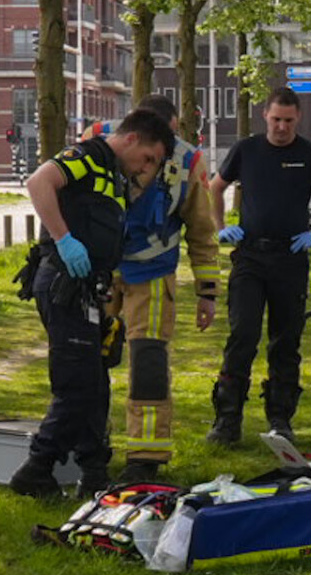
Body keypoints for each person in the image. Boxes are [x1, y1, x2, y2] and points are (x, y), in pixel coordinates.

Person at [7, 108, 175, 499]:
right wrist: (64, 239)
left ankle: (94, 472)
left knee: (96, 384)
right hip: (64, 283)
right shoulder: (89, 156)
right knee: (77, 385)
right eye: (149, 157)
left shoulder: (116, 176)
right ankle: (36, 468)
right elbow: (38, 183)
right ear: (131, 138)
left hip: (88, 289)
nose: (146, 167)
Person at [92, 96, 220, 484]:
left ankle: (145, 457)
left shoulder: (186, 162)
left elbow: (201, 229)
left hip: (152, 273)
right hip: (100, 270)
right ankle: (91, 446)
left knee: (147, 362)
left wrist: (207, 291)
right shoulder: (99, 142)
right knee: (90, 358)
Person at [205, 88, 311, 445]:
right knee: (243, 335)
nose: (281, 127)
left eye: (289, 121)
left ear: (298, 119)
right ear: (265, 115)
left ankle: (280, 418)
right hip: (250, 255)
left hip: (291, 258)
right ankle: (227, 419)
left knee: (285, 341)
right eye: (276, 119)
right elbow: (213, 188)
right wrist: (221, 228)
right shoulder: (245, 150)